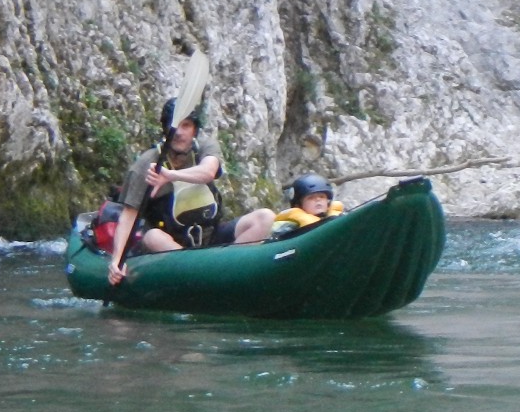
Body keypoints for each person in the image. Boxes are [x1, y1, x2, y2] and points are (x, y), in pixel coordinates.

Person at [103, 98, 276, 286]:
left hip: (210, 238)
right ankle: (210, 275)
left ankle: (226, 269)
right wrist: (115, 261)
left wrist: (169, 175)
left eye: (186, 126)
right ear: (165, 129)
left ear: (194, 130)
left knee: (265, 217)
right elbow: (128, 217)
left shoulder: (204, 147)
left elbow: (208, 172)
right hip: (171, 245)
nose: (178, 132)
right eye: (174, 126)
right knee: (152, 236)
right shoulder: (146, 165)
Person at [270, 173, 344, 235]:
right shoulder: (290, 224)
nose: (318, 200)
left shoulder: (340, 217)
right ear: (298, 205)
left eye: (322, 197)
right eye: (311, 198)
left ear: (328, 202)